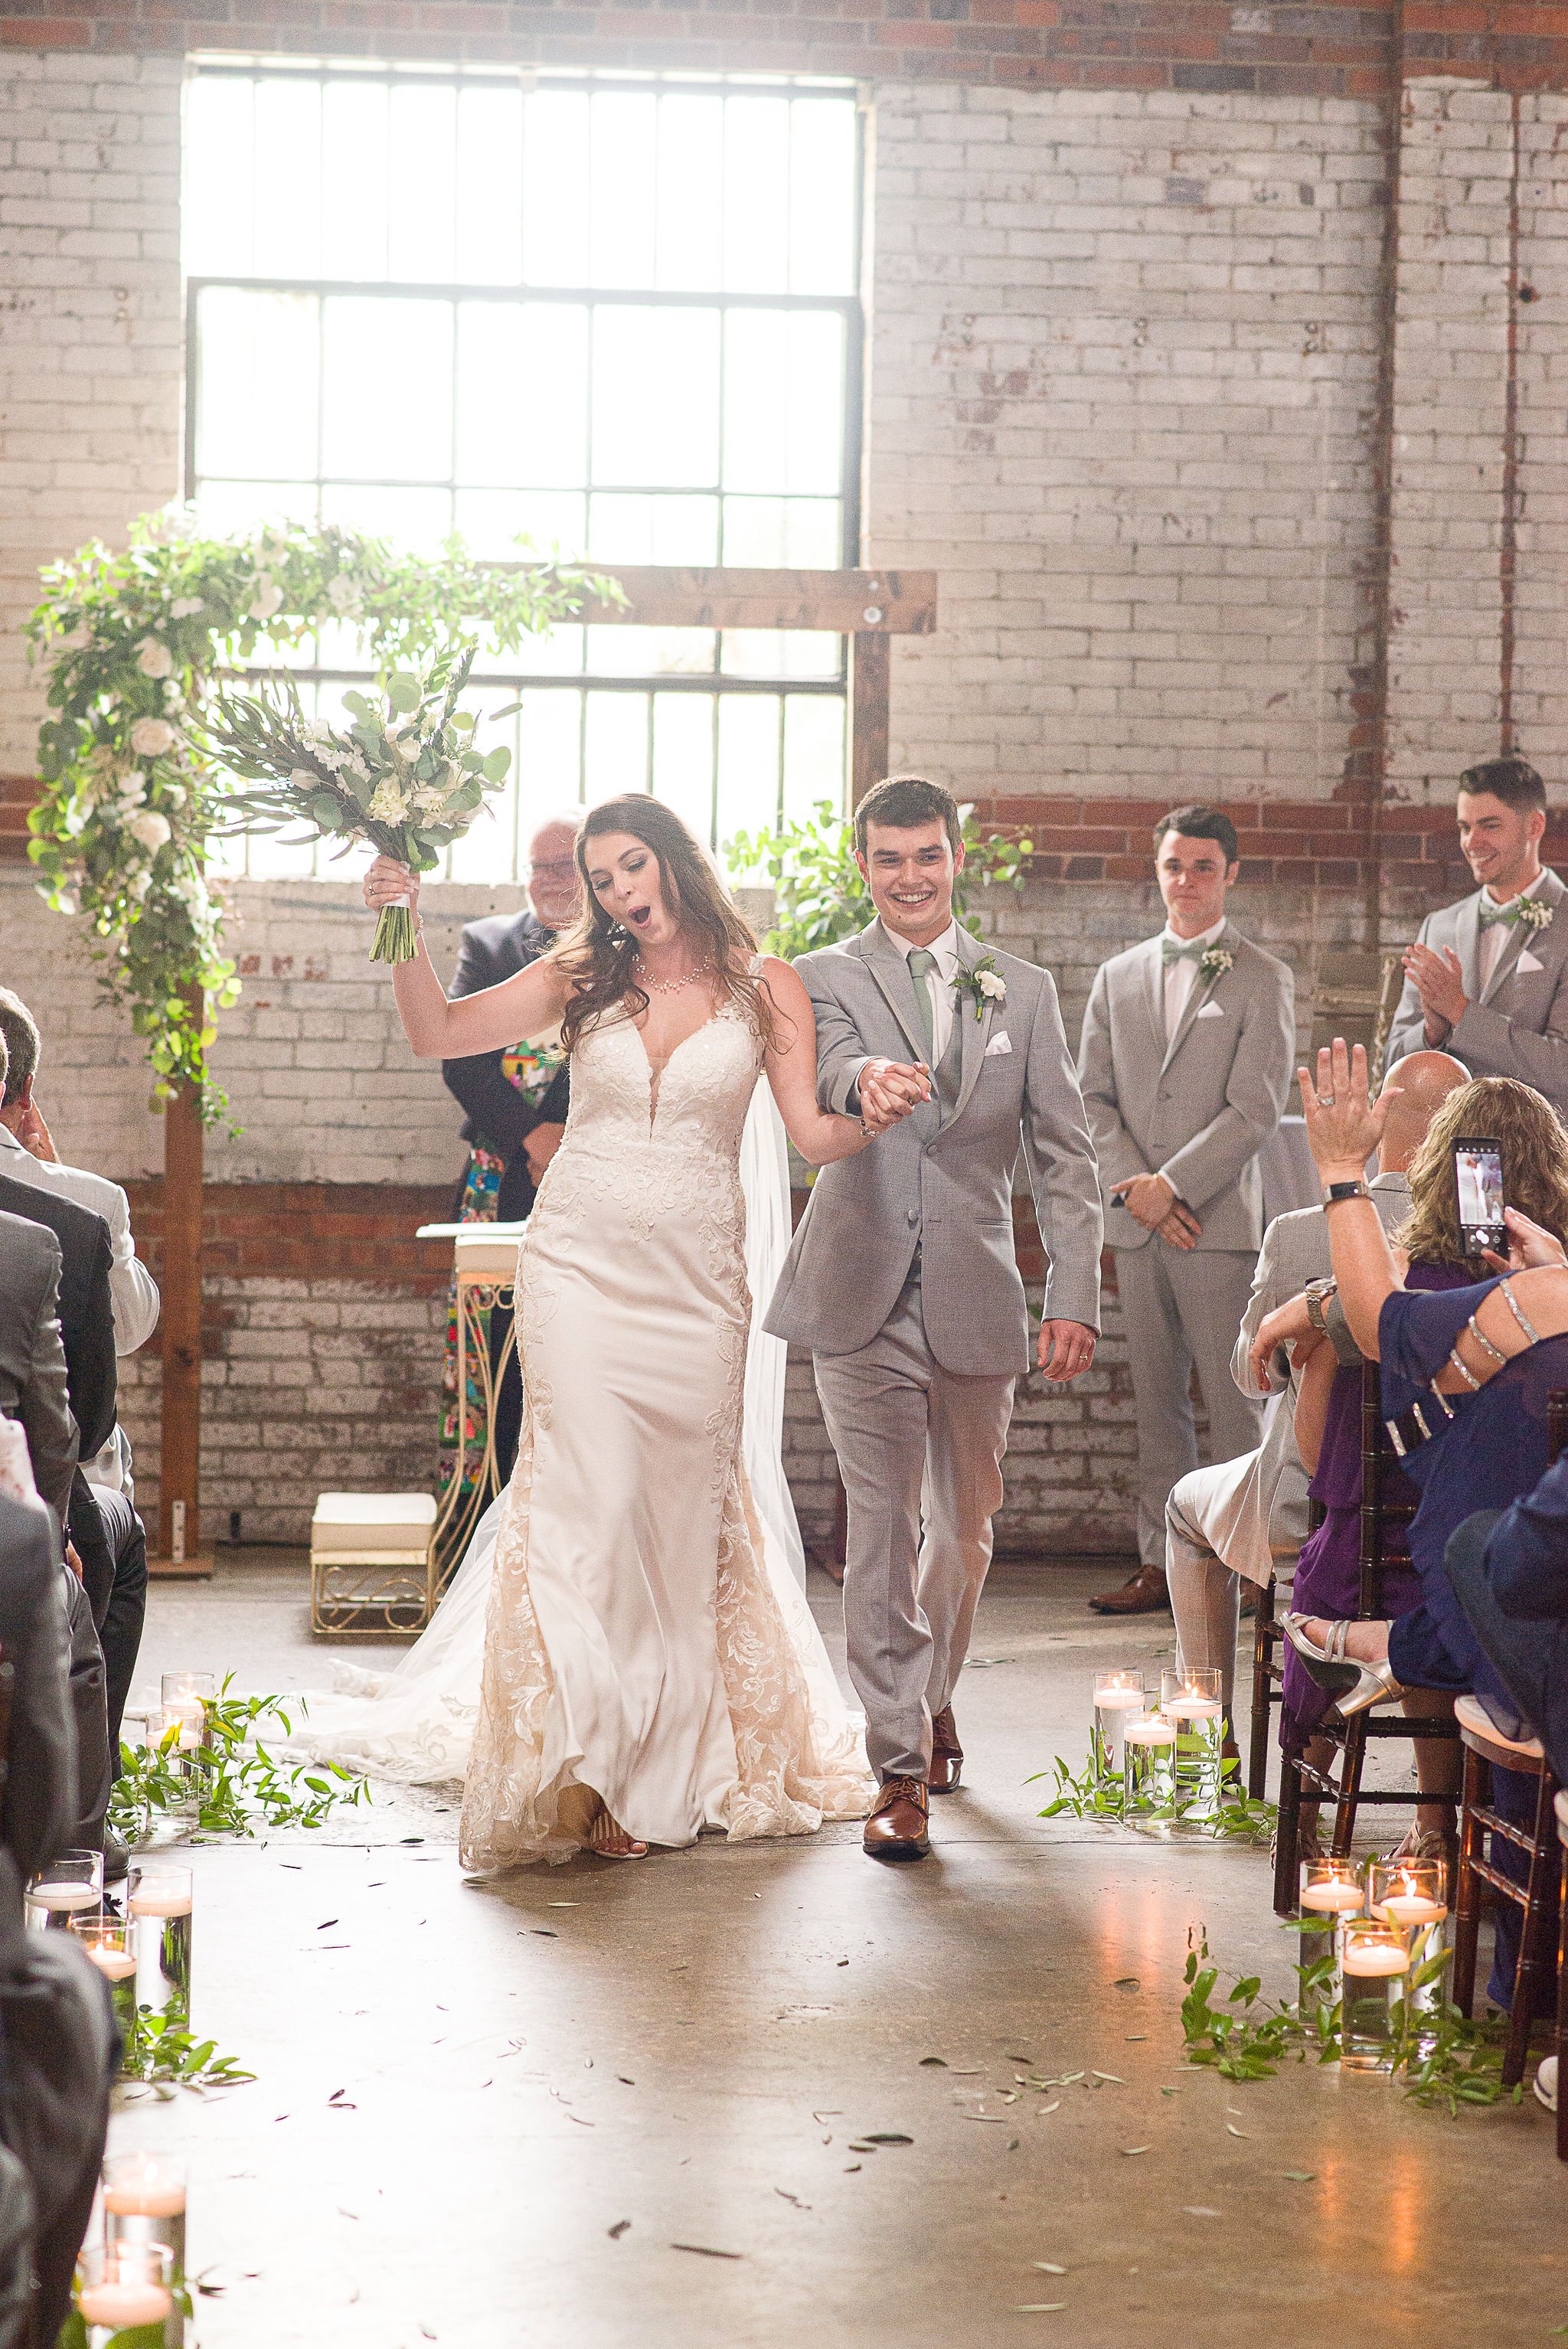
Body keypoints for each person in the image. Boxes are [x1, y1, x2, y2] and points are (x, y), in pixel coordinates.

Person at [342, 793, 910, 1866]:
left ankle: (670, 1747)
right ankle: (597, 1764)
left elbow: (813, 1134)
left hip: (698, 1284)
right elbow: (438, 1033)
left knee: (674, 1516)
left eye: (631, 867)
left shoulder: (763, 985)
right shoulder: (581, 975)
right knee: (591, 1505)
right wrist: (399, 924)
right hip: (579, 1268)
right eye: (601, 879)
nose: (617, 892)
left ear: (675, 862)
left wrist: (871, 1117)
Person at [765, 773, 1103, 1862]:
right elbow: (824, 1075)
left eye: (927, 856)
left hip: (975, 1297)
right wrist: (865, 1083)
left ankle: (931, 1691)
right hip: (859, 1292)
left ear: (957, 859)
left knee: (960, 1533)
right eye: (887, 859)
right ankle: (897, 1768)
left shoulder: (1027, 992)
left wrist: (1076, 1298)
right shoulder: (817, 977)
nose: (909, 877)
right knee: (879, 1528)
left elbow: (1066, 1162)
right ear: (860, 866)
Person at [1285, 1041, 1568, 2014]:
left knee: (1470, 1562)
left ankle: (1384, 1645)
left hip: (1510, 1611)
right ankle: (1388, 1648)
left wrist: (1339, 1174)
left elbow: (1370, 1319)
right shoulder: (1544, 1291)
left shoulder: (1474, 1307)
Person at [1165, 1051, 1468, 1726]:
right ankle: (1433, 1818)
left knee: (1184, 1511)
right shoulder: (1495, 1249)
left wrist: (1284, 1338)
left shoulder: (1305, 1234)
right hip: (1442, 1512)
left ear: (1382, 1115)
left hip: (1312, 1505)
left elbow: (1253, 1377)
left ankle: (1204, 1738)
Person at [1078, 804, 1295, 1614]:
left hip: (1215, 1224)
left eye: (1203, 866)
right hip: (1137, 1226)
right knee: (1155, 1404)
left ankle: (1247, 1564)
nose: (1186, 880)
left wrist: (1173, 1186)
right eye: (1174, 865)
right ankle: (1158, 1561)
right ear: (1157, 870)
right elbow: (1090, 1097)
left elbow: (1255, 1106)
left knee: (1234, 1401)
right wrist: (1139, 1187)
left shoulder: (1260, 974)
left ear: (1229, 874)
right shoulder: (1116, 976)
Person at [439, 813, 581, 1495]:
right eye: (538, 865)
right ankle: (489, 1513)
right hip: (504, 1177)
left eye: (565, 864)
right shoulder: (490, 944)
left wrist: (574, 1139)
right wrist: (532, 1137)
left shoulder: (635, 948)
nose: (549, 880)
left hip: (600, 1181)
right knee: (499, 1356)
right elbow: (461, 1061)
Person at [1386, 755, 1568, 1115]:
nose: (1472, 842)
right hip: (1441, 1151)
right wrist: (1432, 1033)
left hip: (1542, 1155)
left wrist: (1461, 1012)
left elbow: (1563, 1068)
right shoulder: (1438, 926)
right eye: (1465, 827)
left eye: (1489, 826)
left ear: (1534, 827)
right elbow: (1392, 1062)